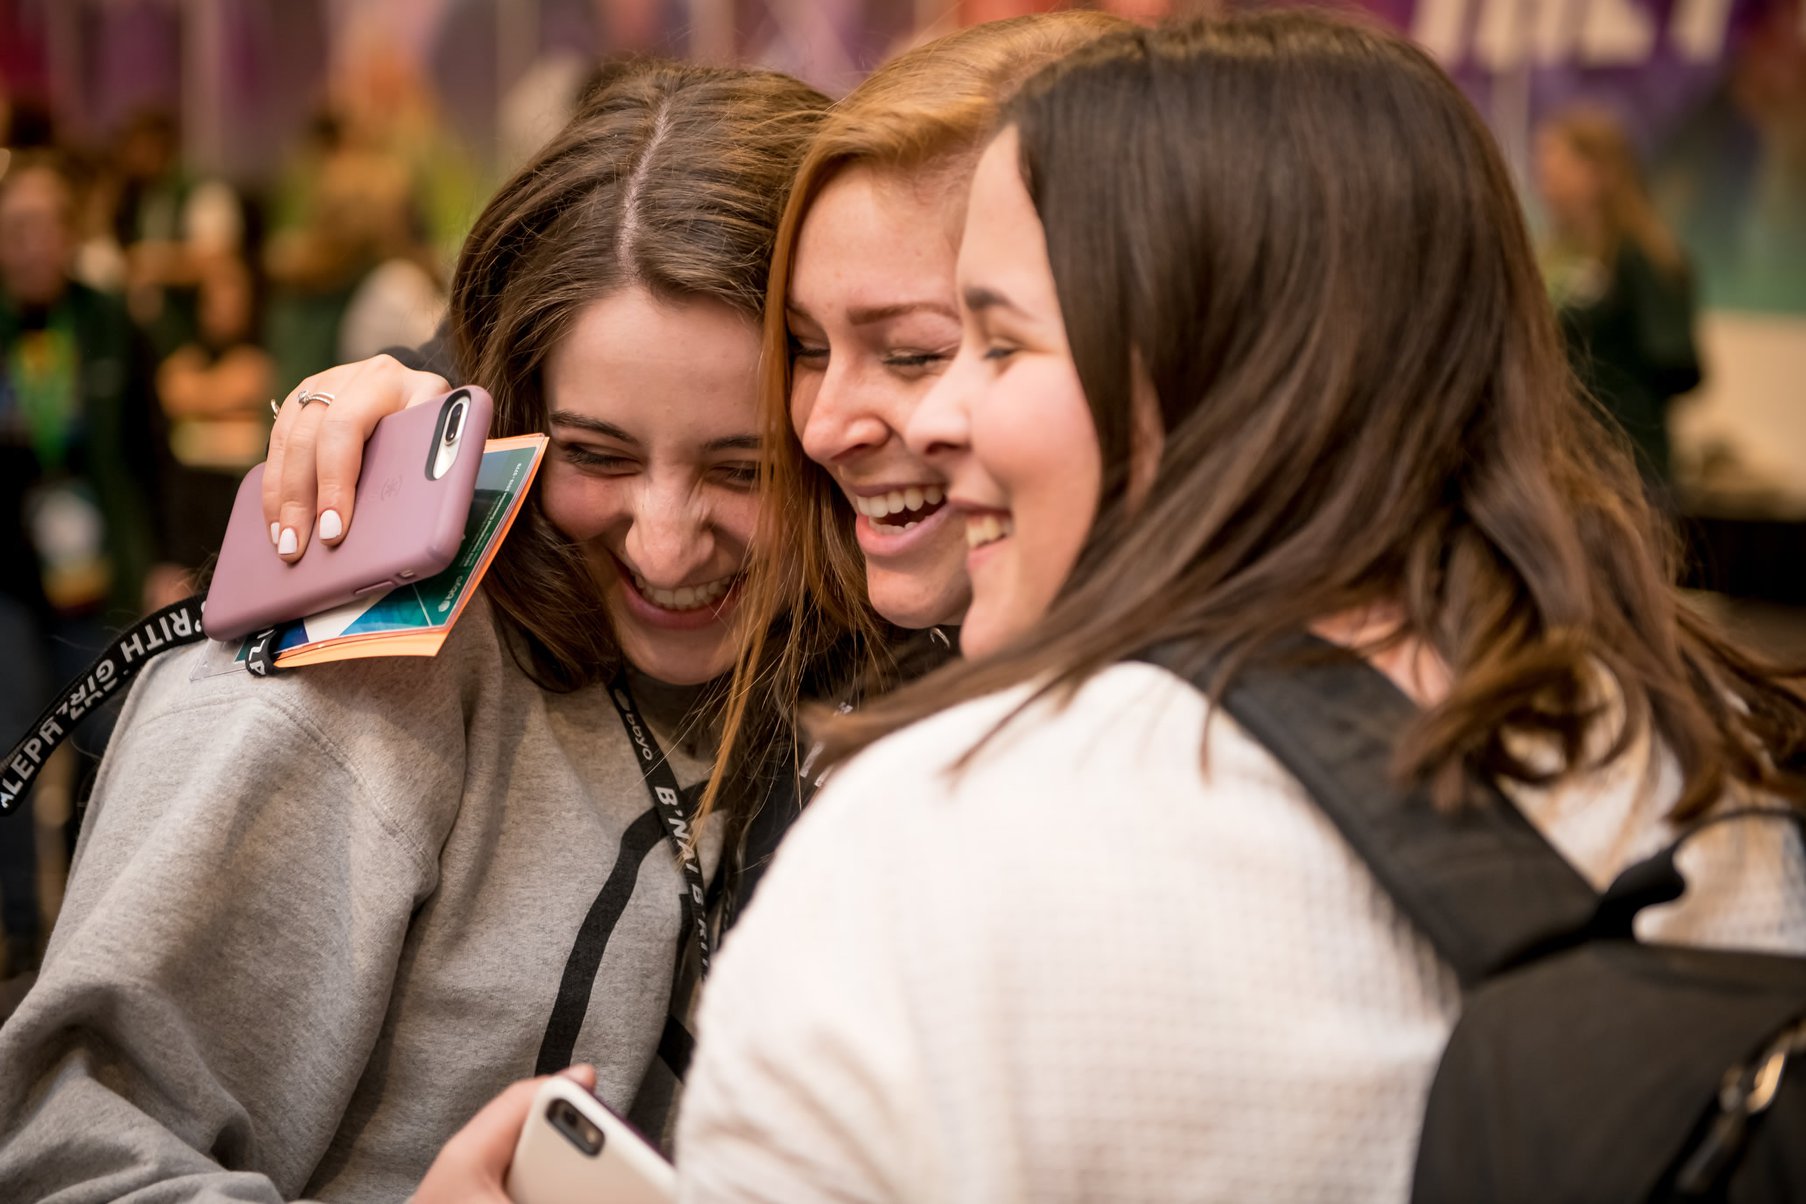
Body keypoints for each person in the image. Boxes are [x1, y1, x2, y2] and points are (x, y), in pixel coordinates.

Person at [675, 14, 1806, 1201]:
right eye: (807, 348)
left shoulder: (930, 845)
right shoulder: (1722, 759)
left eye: (989, 343)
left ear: (1205, 366)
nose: (929, 416)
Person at [0, 61, 827, 1201]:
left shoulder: (860, 644)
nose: (668, 544)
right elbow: (65, 1162)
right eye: (597, 454)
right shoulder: (350, 677)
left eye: (747, 468)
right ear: (515, 401)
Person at [1537, 106, 1702, 490]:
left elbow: (1676, 362)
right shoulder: (1553, 257)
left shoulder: (1641, 257)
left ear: (1599, 173)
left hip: (1627, 460)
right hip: (1562, 454)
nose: (1545, 178)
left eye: (1558, 163)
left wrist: (1606, 384)